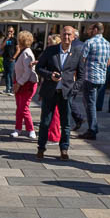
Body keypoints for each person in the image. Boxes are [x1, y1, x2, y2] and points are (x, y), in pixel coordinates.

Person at [35, 25, 85, 161]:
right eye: (64, 34)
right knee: (45, 122)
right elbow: (39, 68)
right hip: (50, 92)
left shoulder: (77, 52)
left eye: (69, 34)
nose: (66, 37)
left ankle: (64, 149)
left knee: (66, 124)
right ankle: (41, 148)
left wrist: (73, 90)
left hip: (66, 93)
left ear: (74, 37)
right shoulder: (51, 50)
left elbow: (81, 76)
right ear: (60, 35)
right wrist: (49, 75)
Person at [77, 22, 110, 141]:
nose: (88, 31)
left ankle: (92, 130)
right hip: (101, 78)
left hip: (90, 77)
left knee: (90, 105)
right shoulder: (107, 44)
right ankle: (93, 128)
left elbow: (82, 60)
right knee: (91, 103)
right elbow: (108, 63)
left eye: (90, 29)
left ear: (96, 30)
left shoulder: (89, 42)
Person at [10, 30, 38, 139]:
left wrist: (18, 84)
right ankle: (18, 128)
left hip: (27, 84)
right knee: (19, 108)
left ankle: (31, 129)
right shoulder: (23, 51)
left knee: (24, 108)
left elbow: (28, 72)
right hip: (21, 82)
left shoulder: (26, 53)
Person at [1, 26, 17, 95]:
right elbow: (2, 47)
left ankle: (12, 89)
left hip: (11, 59)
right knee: (6, 74)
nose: (9, 32)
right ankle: (8, 88)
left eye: (11, 31)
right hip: (5, 58)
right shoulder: (6, 39)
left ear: (13, 32)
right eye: (8, 31)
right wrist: (7, 38)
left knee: (11, 74)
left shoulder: (15, 39)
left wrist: (13, 57)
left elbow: (18, 49)